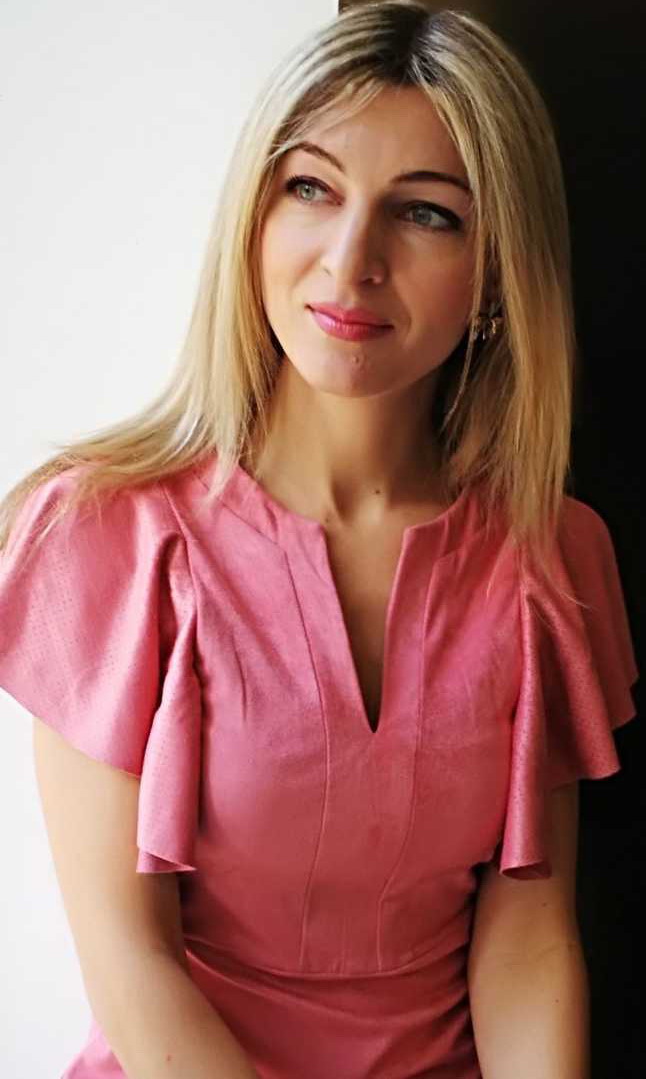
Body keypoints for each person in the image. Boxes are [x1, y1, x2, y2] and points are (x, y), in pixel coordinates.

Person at [0, 2, 639, 1077]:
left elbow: (528, 940)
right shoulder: (104, 533)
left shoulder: (551, 556)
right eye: (311, 188)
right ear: (253, 219)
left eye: (426, 213)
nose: (351, 260)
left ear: (497, 271)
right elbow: (132, 965)